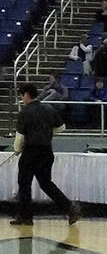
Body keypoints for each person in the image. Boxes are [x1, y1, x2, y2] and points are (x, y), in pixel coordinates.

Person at [10, 83, 80, 226]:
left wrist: (17, 149)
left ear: (26, 95)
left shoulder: (25, 112)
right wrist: (47, 134)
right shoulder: (49, 109)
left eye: (22, 95)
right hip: (46, 151)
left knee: (24, 184)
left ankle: (26, 217)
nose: (22, 99)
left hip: (30, 151)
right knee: (46, 183)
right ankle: (69, 207)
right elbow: (61, 128)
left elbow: (20, 136)